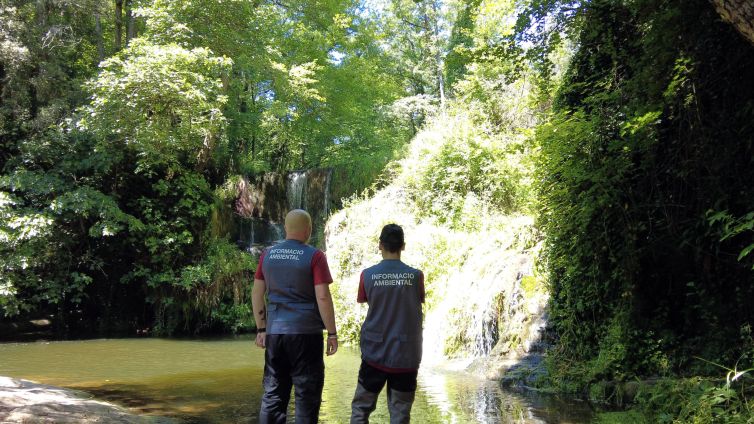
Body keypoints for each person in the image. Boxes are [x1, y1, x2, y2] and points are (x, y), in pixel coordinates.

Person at [252, 209, 338, 424]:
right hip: (306, 334)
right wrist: (332, 333)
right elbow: (323, 297)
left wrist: (261, 329)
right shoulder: (315, 256)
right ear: (308, 230)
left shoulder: (267, 255)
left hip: (275, 332)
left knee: (273, 394)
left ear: (285, 228)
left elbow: (257, 293)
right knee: (306, 396)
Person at [350, 224, 425, 424]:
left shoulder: (367, 275)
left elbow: (365, 300)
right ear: (403, 246)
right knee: (400, 413)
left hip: (375, 352)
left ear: (380, 245)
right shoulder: (416, 276)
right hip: (406, 355)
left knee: (360, 410)